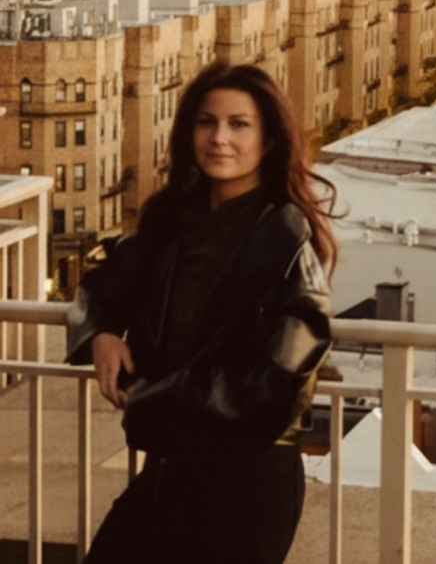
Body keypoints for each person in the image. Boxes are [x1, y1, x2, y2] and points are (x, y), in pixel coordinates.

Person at [67, 62, 335, 564]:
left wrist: (157, 397)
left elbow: (278, 385)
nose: (219, 138)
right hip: (172, 468)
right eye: (206, 122)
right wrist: (101, 332)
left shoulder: (287, 242)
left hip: (246, 481)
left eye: (239, 124)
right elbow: (99, 288)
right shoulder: (172, 225)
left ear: (270, 140)